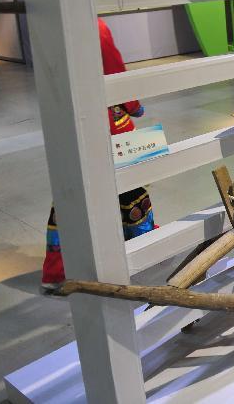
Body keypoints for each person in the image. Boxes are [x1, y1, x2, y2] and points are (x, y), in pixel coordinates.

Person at [41, 19, 156, 292]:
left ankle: (59, 269)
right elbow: (114, 70)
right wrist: (133, 104)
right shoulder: (95, 25)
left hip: (67, 122)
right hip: (107, 122)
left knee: (72, 192)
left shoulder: (48, 24)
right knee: (130, 186)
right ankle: (143, 247)